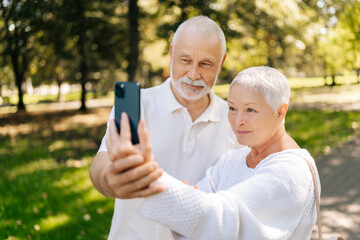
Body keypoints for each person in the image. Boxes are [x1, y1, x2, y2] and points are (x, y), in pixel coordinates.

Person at [120, 66, 321, 239]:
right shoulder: (232, 160)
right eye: (232, 108)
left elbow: (217, 219)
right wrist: (198, 206)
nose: (237, 120)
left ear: (280, 111)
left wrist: (147, 176)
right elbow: (195, 220)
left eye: (250, 110)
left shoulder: (291, 173)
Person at [89, 16, 239, 239]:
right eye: (185, 60)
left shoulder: (235, 117)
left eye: (206, 64)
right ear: (171, 53)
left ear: (222, 61)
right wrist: (110, 179)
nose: (193, 74)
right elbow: (102, 162)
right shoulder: (134, 103)